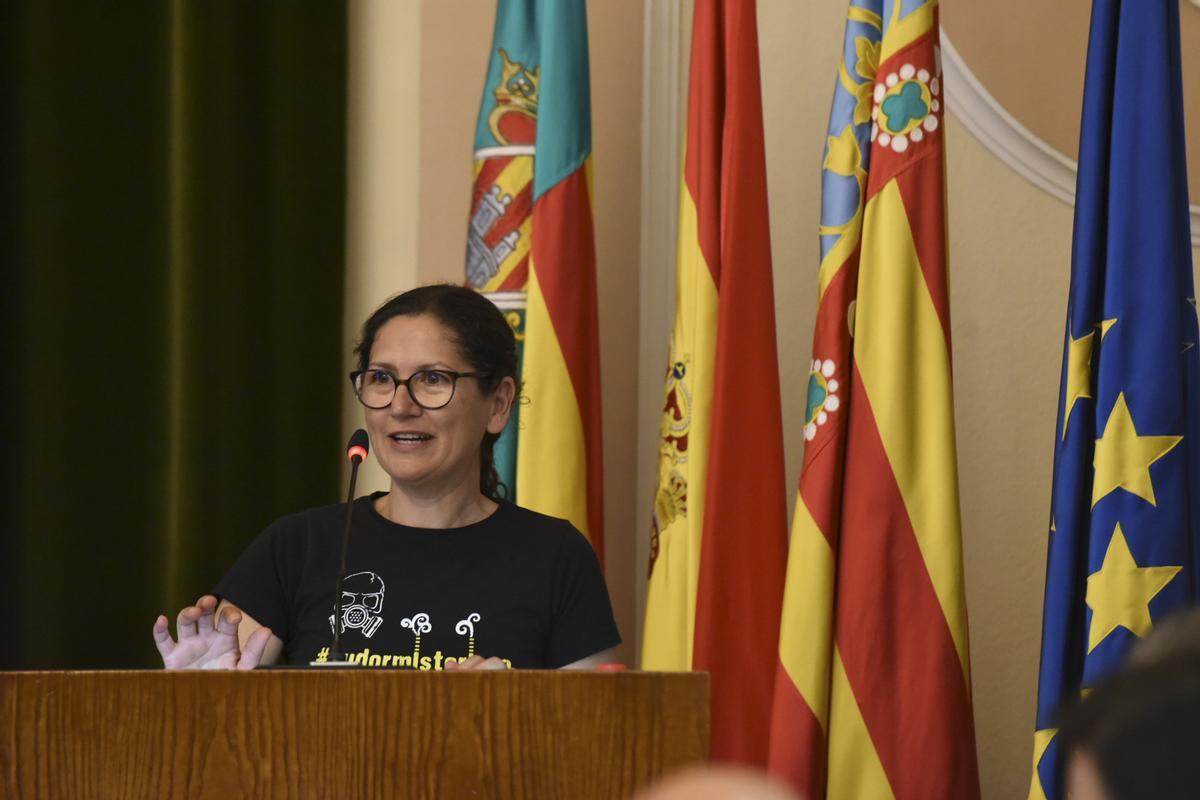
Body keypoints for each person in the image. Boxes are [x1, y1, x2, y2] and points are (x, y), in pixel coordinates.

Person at [152, 284, 621, 671]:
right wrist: (202, 699)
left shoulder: (554, 557)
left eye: (433, 379)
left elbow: (599, 749)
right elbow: (227, 746)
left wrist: (506, 718)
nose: (400, 406)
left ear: (498, 404)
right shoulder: (297, 547)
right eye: (381, 378)